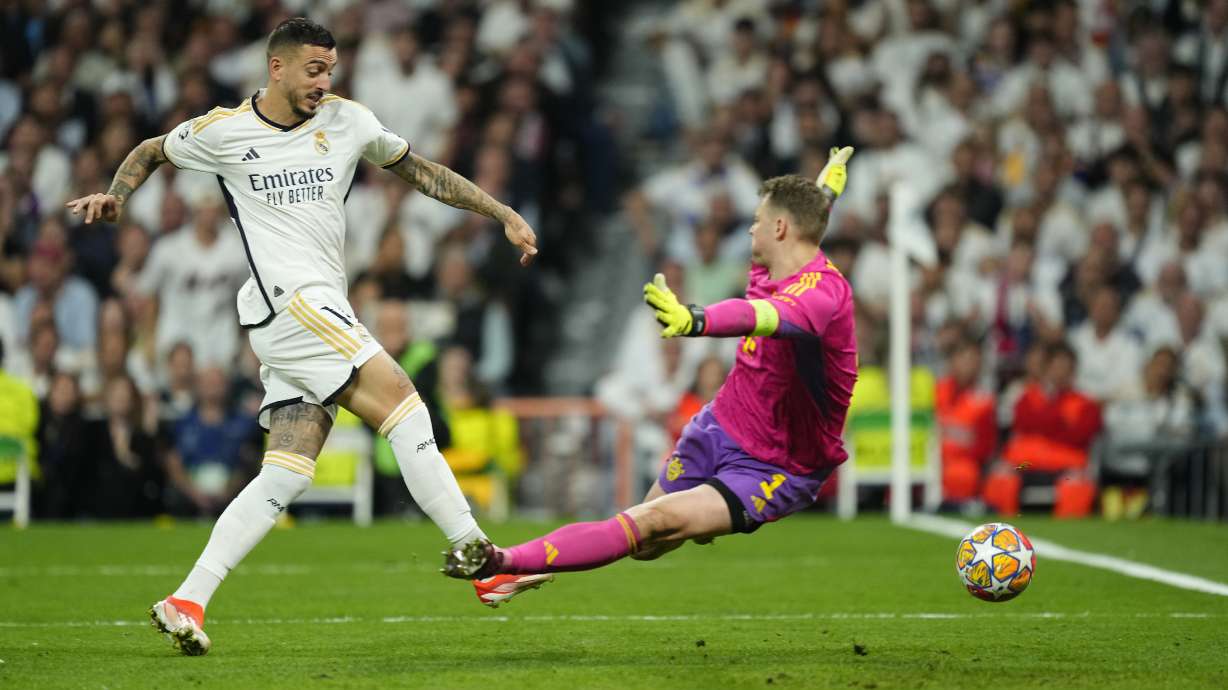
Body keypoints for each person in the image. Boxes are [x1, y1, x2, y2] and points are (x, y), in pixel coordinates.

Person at [65, 18, 541, 656]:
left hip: (304, 313)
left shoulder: (348, 121)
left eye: (330, 70)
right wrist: (117, 196)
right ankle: (479, 557)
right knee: (405, 406)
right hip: (292, 305)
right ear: (277, 67)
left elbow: (422, 172)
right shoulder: (225, 131)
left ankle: (187, 599)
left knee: (285, 473)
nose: (324, 82)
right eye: (314, 70)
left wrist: (501, 212)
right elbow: (151, 149)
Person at [442, 147, 857, 586]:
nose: (751, 228)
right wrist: (824, 191)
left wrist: (696, 319)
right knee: (646, 543)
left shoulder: (823, 295)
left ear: (780, 228)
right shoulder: (776, 259)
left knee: (651, 522)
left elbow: (762, 316)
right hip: (721, 426)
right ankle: (534, 562)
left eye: (758, 220)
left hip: (775, 465)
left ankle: (501, 563)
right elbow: (806, 226)